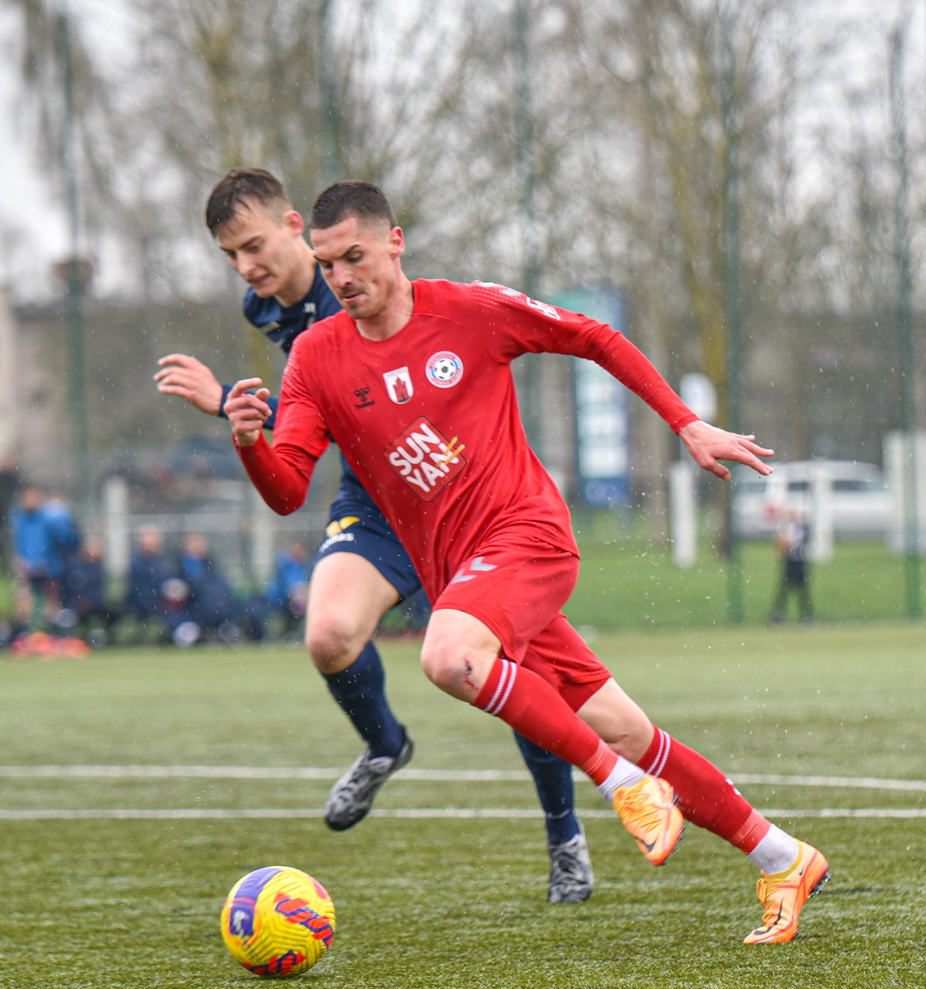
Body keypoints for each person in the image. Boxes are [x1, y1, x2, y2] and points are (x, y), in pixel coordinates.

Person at [226, 182, 829, 943]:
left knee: (448, 658)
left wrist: (686, 423)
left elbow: (594, 337)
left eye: (355, 256)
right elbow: (287, 490)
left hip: (528, 536)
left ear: (395, 243)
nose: (342, 278)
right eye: (328, 265)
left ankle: (620, 786)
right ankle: (782, 857)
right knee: (625, 729)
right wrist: (248, 441)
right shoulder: (316, 355)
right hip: (464, 578)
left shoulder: (468, 311)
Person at [156, 169, 593, 903]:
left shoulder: (356, 290)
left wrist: (228, 399)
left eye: (254, 246)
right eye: (231, 255)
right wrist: (237, 414)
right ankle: (385, 744)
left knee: (505, 665)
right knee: (328, 634)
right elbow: (315, 415)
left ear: (294, 227)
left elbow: (377, 397)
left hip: (453, 491)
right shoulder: (265, 306)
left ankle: (565, 836)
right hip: (377, 498)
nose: (246, 267)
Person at [12, 484, 54, 628]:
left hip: (47, 569)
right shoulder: (18, 519)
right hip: (25, 568)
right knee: (22, 596)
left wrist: (44, 562)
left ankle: (48, 627)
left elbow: (50, 545)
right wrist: (20, 561)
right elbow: (18, 544)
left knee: (50, 600)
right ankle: (24, 627)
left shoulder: (47, 519)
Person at [124, 525, 174, 639]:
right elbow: (136, 590)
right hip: (142, 607)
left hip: (163, 606)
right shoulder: (137, 564)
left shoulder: (165, 562)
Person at [66, 537, 118, 644]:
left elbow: (99, 592)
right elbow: (72, 588)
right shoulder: (75, 567)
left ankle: (106, 637)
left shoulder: (99, 569)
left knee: (115, 612)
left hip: (95, 604)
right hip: (76, 604)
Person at [770, 510, 813, 624]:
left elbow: (794, 542)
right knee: (783, 592)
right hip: (789, 563)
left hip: (798, 563)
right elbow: (782, 544)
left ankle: (806, 616)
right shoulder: (787, 527)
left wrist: (785, 543)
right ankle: (777, 615)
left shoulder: (800, 528)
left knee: (802, 593)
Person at [265, 540, 311, 639]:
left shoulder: (300, 565)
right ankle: (290, 632)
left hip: (286, 599)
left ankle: (290, 632)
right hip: (281, 599)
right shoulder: (288, 564)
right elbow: (292, 585)